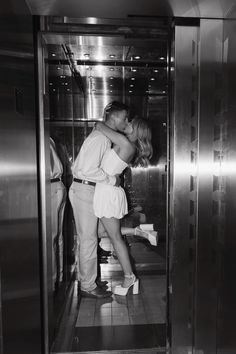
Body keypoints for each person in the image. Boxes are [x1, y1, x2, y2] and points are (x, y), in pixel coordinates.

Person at [69, 101, 130, 299]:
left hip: (87, 189)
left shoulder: (102, 136)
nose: (126, 121)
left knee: (91, 237)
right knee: (88, 239)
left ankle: (88, 279)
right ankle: (87, 286)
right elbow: (88, 170)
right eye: (124, 117)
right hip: (85, 187)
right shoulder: (102, 139)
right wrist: (112, 179)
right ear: (113, 117)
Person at [93, 118, 153, 296]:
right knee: (102, 233)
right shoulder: (126, 143)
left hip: (108, 193)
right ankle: (139, 232)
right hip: (108, 191)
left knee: (115, 239)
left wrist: (113, 122)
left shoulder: (126, 144)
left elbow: (99, 126)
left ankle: (129, 276)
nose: (127, 123)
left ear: (137, 130)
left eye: (131, 123)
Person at [50, 138, 67, 291]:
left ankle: (53, 281)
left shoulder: (43, 140)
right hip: (57, 186)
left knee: (51, 238)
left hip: (51, 186)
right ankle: (58, 277)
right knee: (57, 237)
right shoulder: (50, 140)